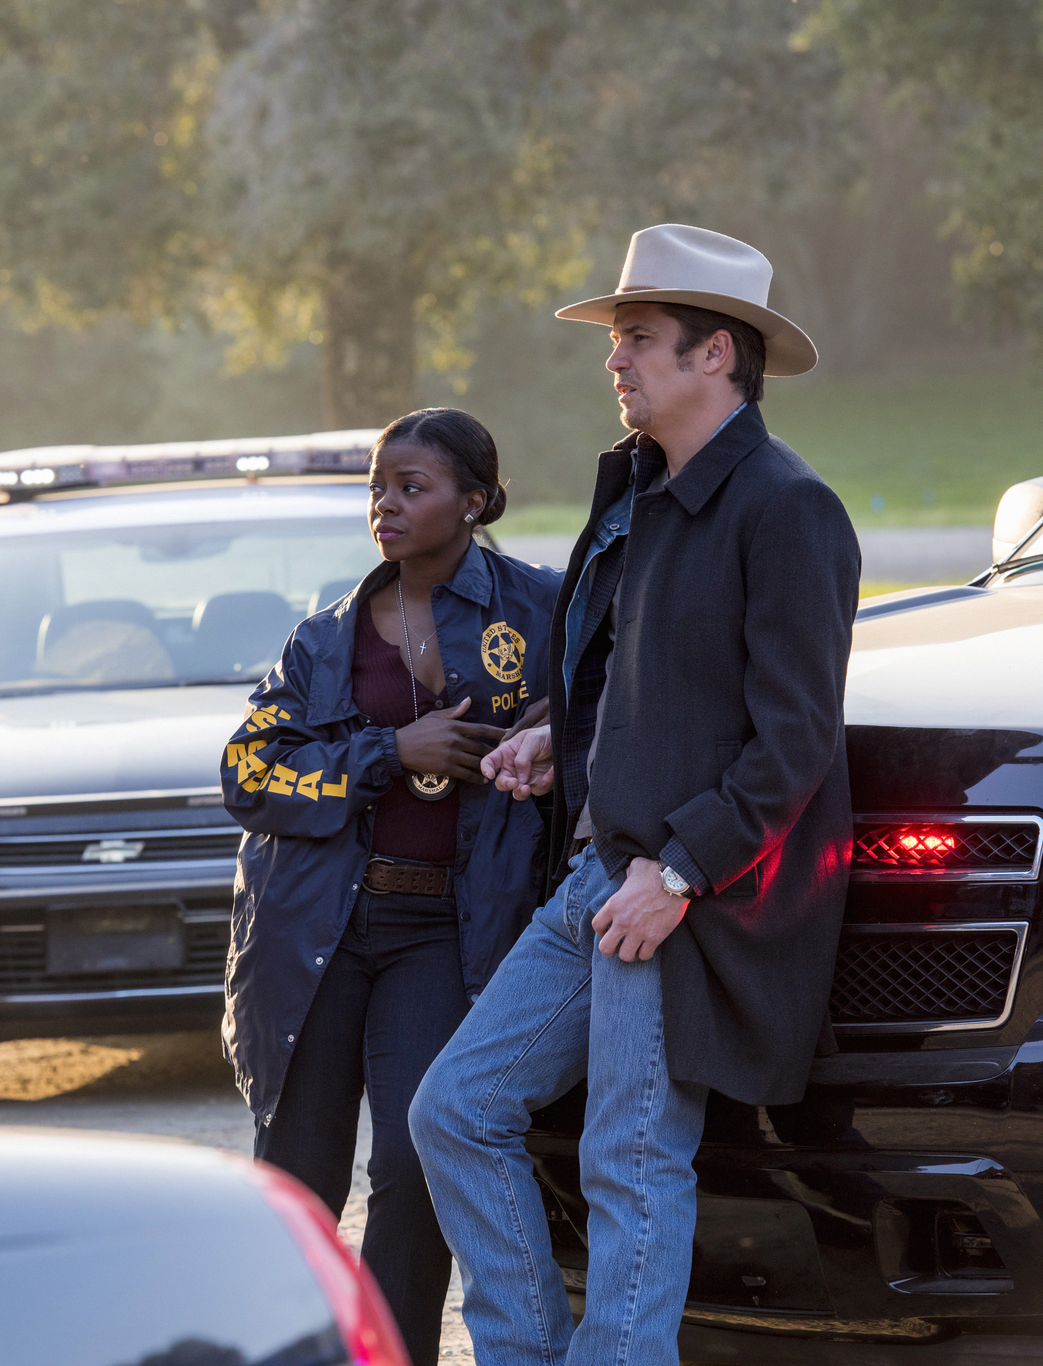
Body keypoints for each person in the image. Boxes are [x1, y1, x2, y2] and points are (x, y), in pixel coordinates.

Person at [409, 224, 862, 1366]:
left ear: (717, 353)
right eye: (615, 339)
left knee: (631, 1158)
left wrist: (682, 871)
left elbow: (796, 740)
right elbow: (639, 680)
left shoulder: (786, 507)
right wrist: (557, 741)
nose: (614, 359)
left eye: (640, 339)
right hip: (599, 875)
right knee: (452, 1111)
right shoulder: (638, 494)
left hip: (679, 895)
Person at [220, 408, 562, 1366]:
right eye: (377, 488)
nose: (386, 505)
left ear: (476, 501)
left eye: (412, 488)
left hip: (448, 927)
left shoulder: (545, 611)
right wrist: (387, 752)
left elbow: (617, 704)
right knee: (296, 1171)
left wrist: (557, 729)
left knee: (416, 1166)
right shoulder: (322, 640)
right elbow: (247, 776)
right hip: (321, 926)